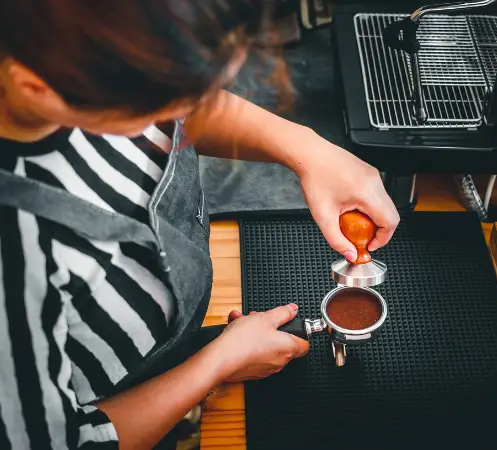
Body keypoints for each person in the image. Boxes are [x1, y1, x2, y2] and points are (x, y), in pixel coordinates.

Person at [0, 1, 399, 449]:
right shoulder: (15, 258)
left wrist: (308, 151)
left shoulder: (96, 64)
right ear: (35, 86)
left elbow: (182, 109)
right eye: (163, 101)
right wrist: (216, 364)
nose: (184, 111)